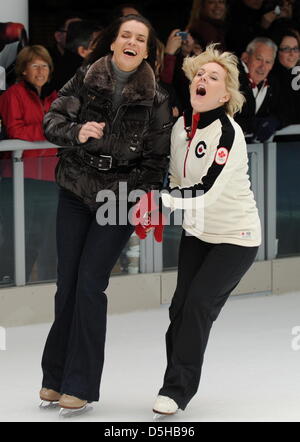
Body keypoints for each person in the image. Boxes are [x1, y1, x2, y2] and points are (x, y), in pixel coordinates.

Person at [39, 14, 172, 413]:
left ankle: (79, 385)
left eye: (140, 39)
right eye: (125, 35)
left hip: (119, 199)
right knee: (67, 284)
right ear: (113, 43)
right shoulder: (84, 77)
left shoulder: (158, 99)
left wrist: (144, 199)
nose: (131, 42)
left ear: (147, 50)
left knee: (90, 285)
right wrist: (76, 132)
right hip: (75, 189)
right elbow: (51, 120)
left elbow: (155, 161)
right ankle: (54, 377)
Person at [140, 44, 261, 415]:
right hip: (198, 233)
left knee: (197, 305)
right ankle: (175, 380)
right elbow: (175, 179)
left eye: (214, 77)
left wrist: (162, 203)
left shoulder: (229, 133)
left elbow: (206, 191)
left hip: (236, 238)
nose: (203, 80)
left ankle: (176, 390)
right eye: (199, 75)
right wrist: (159, 203)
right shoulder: (180, 128)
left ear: (225, 95)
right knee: (179, 307)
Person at [0, 45, 58, 283]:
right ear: (23, 70)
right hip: (19, 178)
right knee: (20, 238)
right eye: (35, 65)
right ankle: (11, 282)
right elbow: (16, 131)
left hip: (50, 178)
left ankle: (44, 285)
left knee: (48, 239)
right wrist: (50, 130)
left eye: (44, 66)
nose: (40, 70)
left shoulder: (55, 96)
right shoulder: (12, 94)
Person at [236, 37, 283, 142]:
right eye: (258, 59)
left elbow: (286, 109)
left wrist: (276, 120)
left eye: (268, 62)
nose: (262, 66)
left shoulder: (272, 83)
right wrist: (250, 124)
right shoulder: (231, 78)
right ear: (245, 57)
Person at [270, 29, 300, 128]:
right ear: (276, 51)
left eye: (295, 48)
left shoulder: (297, 75)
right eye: (286, 49)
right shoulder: (268, 77)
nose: (292, 54)